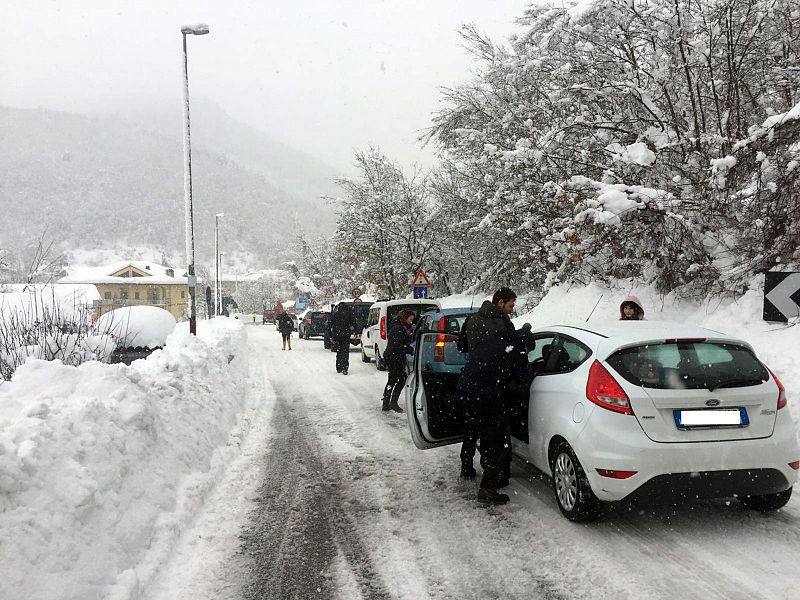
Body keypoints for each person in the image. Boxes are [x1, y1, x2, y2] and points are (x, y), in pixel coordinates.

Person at [457, 287, 517, 505]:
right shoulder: (504, 323)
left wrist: (478, 351)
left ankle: (467, 466)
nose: (512, 310)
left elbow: (461, 345)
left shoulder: (472, 319)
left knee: (472, 426)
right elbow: (513, 352)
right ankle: (489, 487)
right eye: (511, 305)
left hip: (469, 384)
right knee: (497, 439)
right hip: (490, 387)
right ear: (500, 303)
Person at [380, 310, 415, 413]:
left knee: (393, 379)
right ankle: (392, 403)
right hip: (393, 358)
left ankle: (387, 403)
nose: (411, 322)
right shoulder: (398, 328)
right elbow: (397, 345)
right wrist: (410, 350)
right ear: (404, 318)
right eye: (410, 320)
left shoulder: (400, 327)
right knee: (401, 378)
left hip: (395, 357)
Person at [330, 302, 354, 374]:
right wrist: (353, 331)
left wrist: (332, 336)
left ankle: (339, 367)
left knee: (339, 351)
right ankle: (345, 368)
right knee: (345, 352)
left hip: (337, 336)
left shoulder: (335, 314)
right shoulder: (349, 314)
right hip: (346, 336)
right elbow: (353, 323)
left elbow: (331, 325)